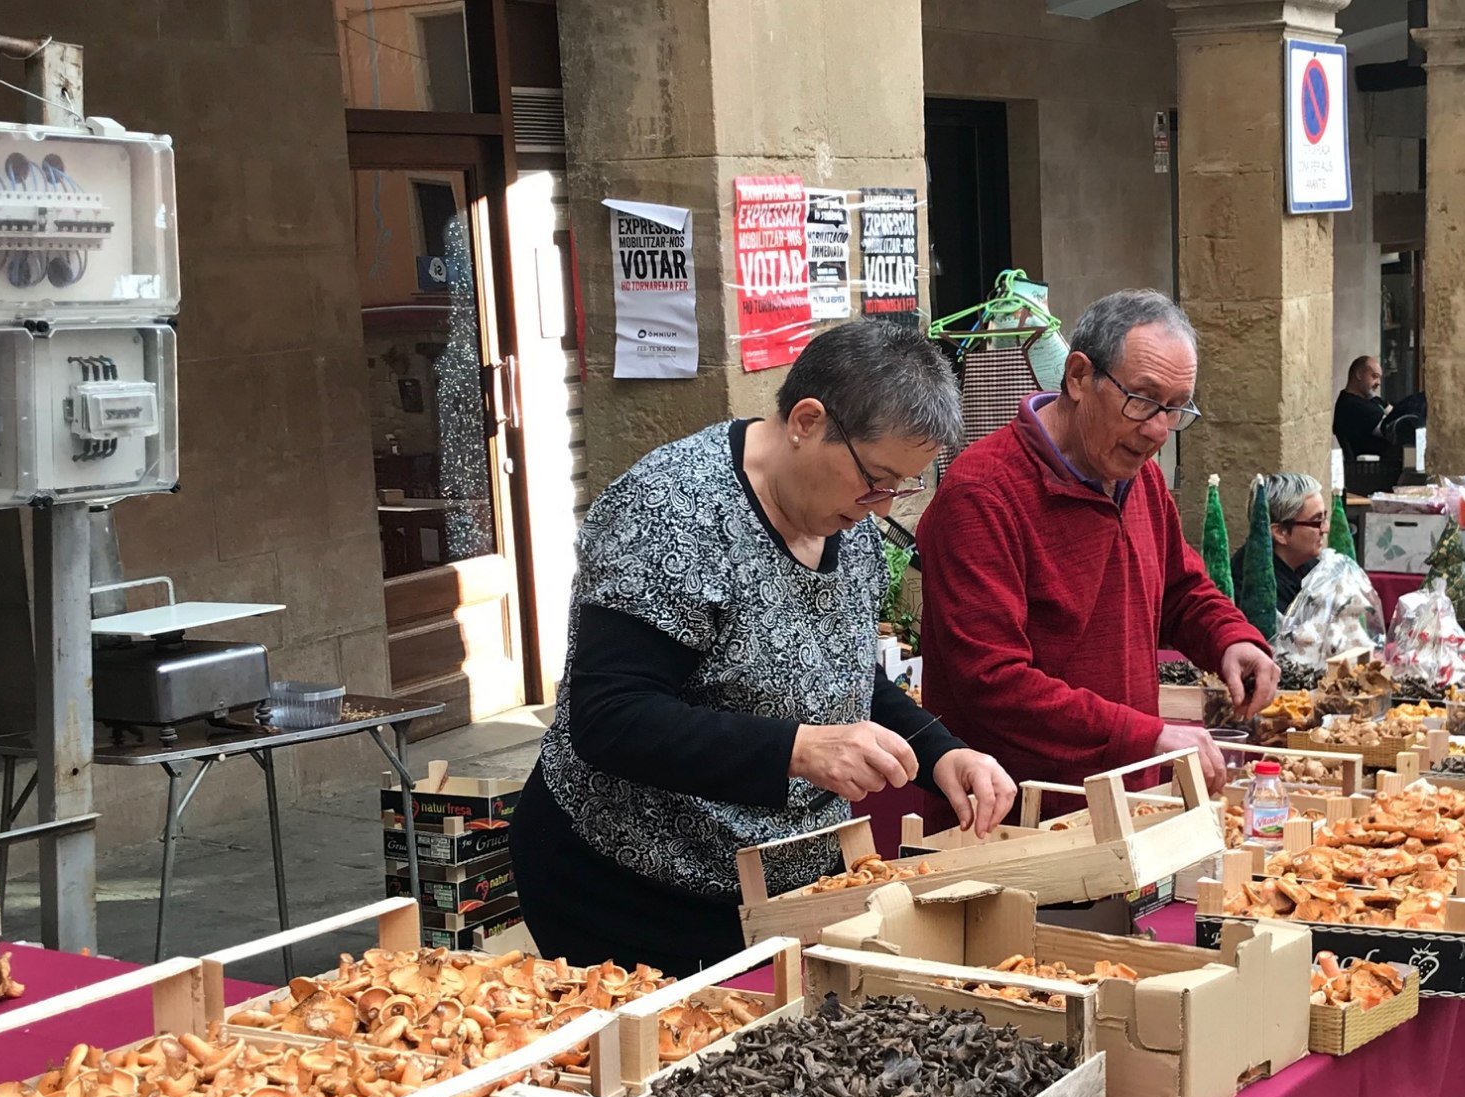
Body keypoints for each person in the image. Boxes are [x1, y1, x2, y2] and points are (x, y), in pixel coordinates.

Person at [511, 319, 1018, 972]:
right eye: (877, 478)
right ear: (806, 421)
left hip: (785, 891)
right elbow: (610, 717)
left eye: (902, 487)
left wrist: (940, 753)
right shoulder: (671, 515)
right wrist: (798, 749)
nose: (881, 504)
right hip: (631, 889)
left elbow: (844, 676)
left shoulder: (851, 521)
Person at [916, 289, 1277, 796]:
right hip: (1016, 818)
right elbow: (993, 682)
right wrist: (1145, 736)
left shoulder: (1141, 479)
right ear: (1079, 376)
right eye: (1143, 400)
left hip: (1128, 799)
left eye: (1175, 409)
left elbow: (1179, 589)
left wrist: (1229, 638)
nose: (1157, 430)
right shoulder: (982, 493)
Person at [1262, 472, 1328, 610]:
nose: (1325, 528)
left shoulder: (1308, 565)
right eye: (1317, 521)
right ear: (1280, 532)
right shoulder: (1260, 589)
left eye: (1325, 518)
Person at [1332, 355, 1389, 459]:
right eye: (1374, 376)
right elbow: (1395, 427)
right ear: (1359, 374)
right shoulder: (1353, 405)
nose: (1378, 383)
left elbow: (1391, 410)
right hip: (1374, 470)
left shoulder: (1370, 400)